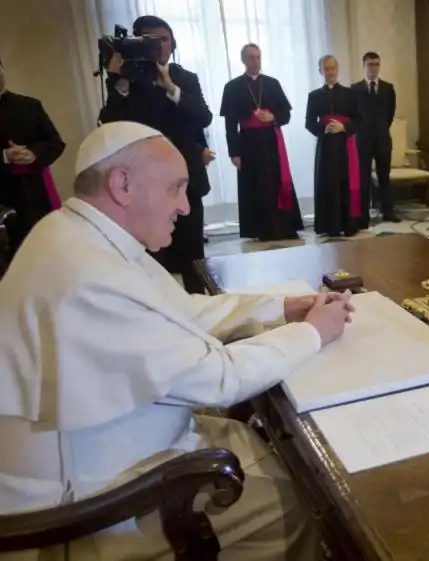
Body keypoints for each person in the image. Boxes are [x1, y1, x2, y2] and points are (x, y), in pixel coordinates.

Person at [0, 121, 355, 560]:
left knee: (277, 446)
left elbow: (182, 311)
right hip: (91, 508)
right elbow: (220, 379)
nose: (186, 207)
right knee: (296, 503)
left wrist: (281, 309)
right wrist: (314, 332)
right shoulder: (86, 275)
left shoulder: (81, 236)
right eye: (176, 188)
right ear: (122, 183)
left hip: (131, 446)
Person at [98, 15, 212, 294]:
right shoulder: (127, 81)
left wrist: (171, 88)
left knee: (193, 254)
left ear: (173, 44)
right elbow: (108, 123)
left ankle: (203, 312)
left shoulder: (185, 78)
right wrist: (118, 81)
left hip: (186, 179)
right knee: (151, 258)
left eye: (165, 39)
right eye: (150, 40)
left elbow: (203, 117)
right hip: (143, 181)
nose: (159, 45)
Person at [220, 43, 303, 241]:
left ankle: (284, 226)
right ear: (243, 60)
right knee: (255, 186)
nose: (255, 61)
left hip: (272, 141)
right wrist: (234, 153)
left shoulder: (272, 83)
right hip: (249, 144)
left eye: (258, 57)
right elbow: (230, 124)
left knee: (277, 182)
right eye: (251, 58)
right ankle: (261, 229)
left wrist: (273, 116)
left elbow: (286, 114)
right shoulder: (232, 87)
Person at [0, 55, 65, 256]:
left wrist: (33, 154)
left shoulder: (29, 105)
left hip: (36, 193)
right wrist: (4, 156)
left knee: (50, 248)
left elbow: (56, 143)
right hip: (3, 195)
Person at [306, 55, 362, 237]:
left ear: (337, 69)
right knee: (328, 185)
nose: (330, 72)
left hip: (346, 147)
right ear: (321, 71)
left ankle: (349, 224)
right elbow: (309, 123)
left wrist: (344, 127)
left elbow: (359, 119)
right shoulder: (314, 96)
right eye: (326, 69)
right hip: (325, 147)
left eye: (333, 68)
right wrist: (325, 128)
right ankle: (330, 226)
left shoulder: (350, 93)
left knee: (345, 183)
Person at [351, 51, 400, 225]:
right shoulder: (354, 89)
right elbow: (353, 115)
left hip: (382, 140)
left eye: (376, 64)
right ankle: (363, 215)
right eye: (370, 65)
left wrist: (380, 129)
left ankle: (388, 212)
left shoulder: (388, 88)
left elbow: (390, 115)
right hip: (362, 141)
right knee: (363, 178)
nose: (374, 68)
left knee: (384, 177)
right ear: (364, 66)